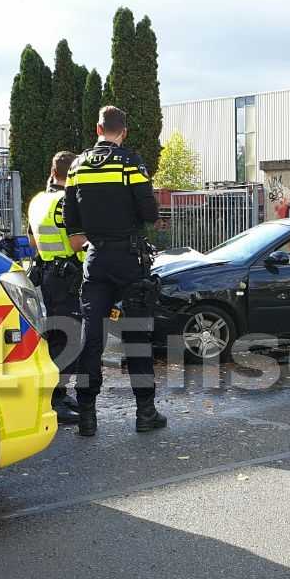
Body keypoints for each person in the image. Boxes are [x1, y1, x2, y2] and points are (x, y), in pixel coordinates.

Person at [63, 106, 166, 436]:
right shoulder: (130, 163)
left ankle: (87, 416)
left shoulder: (77, 166)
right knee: (137, 335)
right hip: (129, 257)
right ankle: (145, 413)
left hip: (95, 259)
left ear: (98, 128)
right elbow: (149, 212)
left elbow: (70, 218)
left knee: (91, 338)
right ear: (124, 131)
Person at [27, 150, 84, 424]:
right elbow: (77, 244)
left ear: (52, 172)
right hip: (69, 278)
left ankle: (58, 394)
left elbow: (33, 243)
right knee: (68, 341)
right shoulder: (68, 202)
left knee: (56, 338)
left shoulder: (38, 200)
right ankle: (54, 400)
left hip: (48, 277)